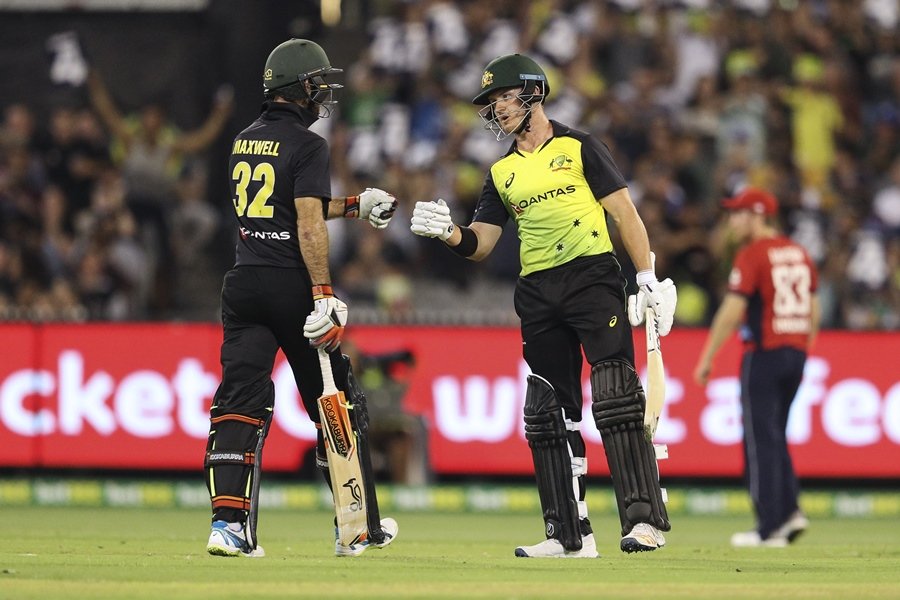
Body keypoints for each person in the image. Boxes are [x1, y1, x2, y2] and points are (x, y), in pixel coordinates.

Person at [410, 53, 677, 558]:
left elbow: (625, 214)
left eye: (503, 97)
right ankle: (568, 534)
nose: (496, 109)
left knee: (616, 395)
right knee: (548, 411)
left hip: (593, 277)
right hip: (537, 290)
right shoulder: (502, 172)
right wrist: (448, 233)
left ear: (533, 92)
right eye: (491, 103)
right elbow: (482, 243)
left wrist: (646, 277)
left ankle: (644, 522)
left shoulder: (580, 147)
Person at [203, 38, 400, 558]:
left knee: (238, 406)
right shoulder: (309, 146)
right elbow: (307, 224)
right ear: (302, 87)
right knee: (335, 404)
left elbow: (284, 208)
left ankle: (227, 527)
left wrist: (356, 205)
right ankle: (354, 525)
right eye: (318, 82)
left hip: (245, 284)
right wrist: (324, 293)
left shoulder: (245, 139)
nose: (324, 92)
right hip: (293, 286)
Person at [693, 187, 820, 548]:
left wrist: (707, 357)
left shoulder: (753, 254)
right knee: (775, 434)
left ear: (758, 215)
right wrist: (802, 348)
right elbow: (814, 308)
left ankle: (767, 527)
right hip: (795, 353)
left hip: (764, 354)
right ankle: (790, 511)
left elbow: (732, 310)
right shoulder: (798, 252)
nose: (733, 221)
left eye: (738, 213)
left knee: (758, 439)